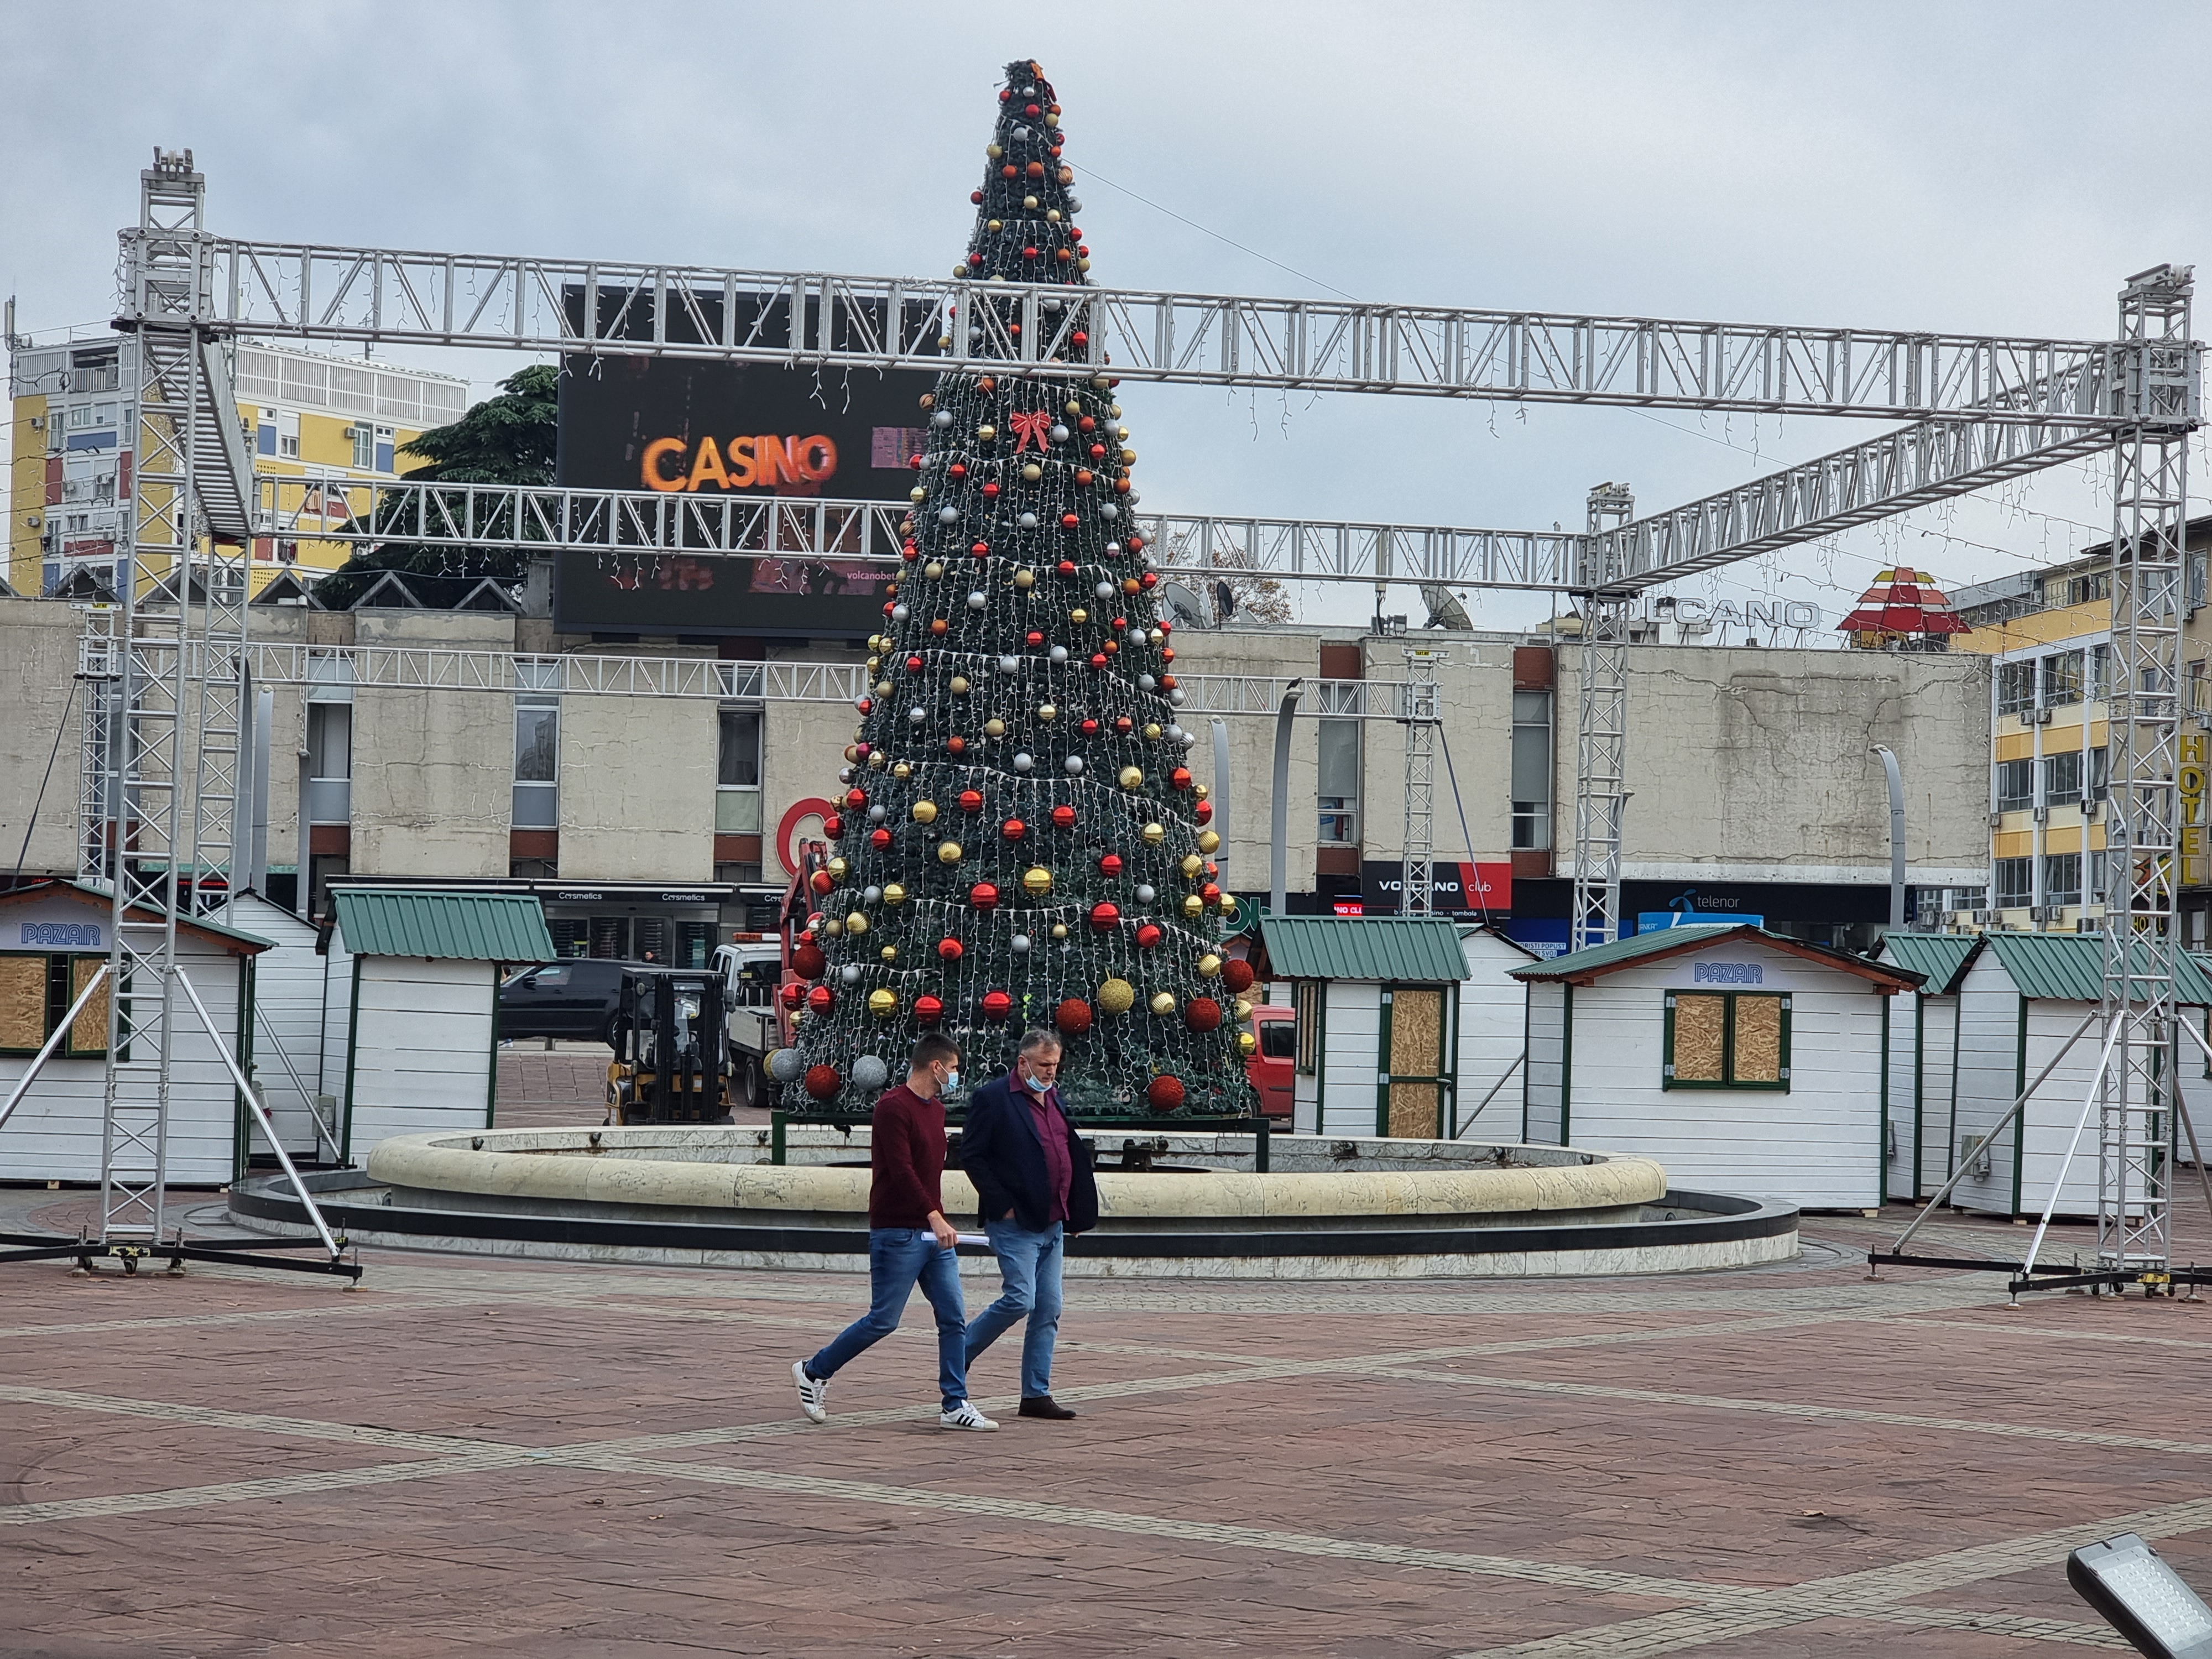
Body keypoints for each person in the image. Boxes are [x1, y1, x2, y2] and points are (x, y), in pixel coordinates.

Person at [792, 1035, 997, 1431]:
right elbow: (901, 1171)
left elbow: (928, 1172)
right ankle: (814, 1371)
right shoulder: (892, 1107)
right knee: (884, 1319)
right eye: (953, 1068)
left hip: (932, 1233)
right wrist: (934, 1216)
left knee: (954, 1317)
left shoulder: (936, 1111)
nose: (956, 1076)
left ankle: (955, 1403)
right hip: (898, 1231)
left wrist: (936, 1218)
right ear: (935, 1067)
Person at [958, 1027, 1098, 1421]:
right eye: (1044, 1065)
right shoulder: (994, 1098)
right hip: (1015, 1222)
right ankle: (957, 1357)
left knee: (1049, 1307)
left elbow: (1065, 1152)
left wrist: (1075, 1210)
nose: (1051, 1072)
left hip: (1053, 1222)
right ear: (1023, 1063)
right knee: (1021, 1299)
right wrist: (1002, 1205)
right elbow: (972, 1155)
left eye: (1055, 1065)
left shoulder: (1055, 1097)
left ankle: (1035, 1394)